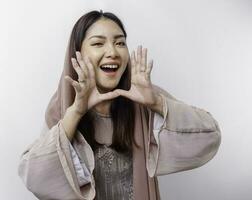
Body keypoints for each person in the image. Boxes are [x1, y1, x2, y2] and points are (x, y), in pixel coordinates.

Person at [18, 10, 221, 200]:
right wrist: (77, 111)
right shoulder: (62, 106)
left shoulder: (144, 97)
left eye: (120, 43)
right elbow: (34, 177)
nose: (112, 52)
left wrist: (156, 102)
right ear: (77, 54)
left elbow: (210, 137)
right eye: (98, 44)